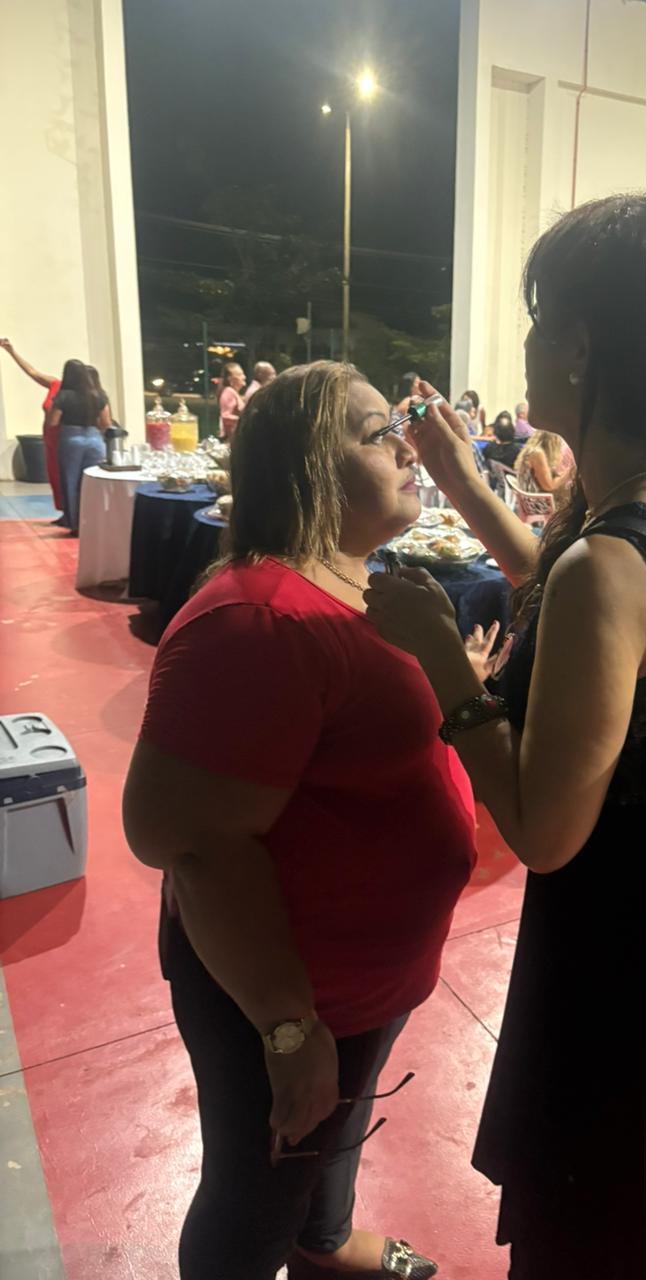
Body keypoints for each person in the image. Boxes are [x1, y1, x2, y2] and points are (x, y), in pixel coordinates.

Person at [364, 193, 646, 1280]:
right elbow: (606, 639)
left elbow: (545, 828)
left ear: (582, 344)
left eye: (537, 316)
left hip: (632, 993)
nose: (524, 341)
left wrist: (442, 661)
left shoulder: (608, 565)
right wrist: (469, 487)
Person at [122, 361, 481, 1280]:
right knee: (254, 1197)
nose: (407, 446)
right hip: (289, 999)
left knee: (328, 1142)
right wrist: (286, 1025)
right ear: (309, 468)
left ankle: (322, 1245)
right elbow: (186, 839)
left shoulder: (359, 584)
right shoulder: (258, 619)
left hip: (360, 985)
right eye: (377, 432)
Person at [0, 338, 65, 516]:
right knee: (54, 477)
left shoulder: (74, 394)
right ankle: (63, 513)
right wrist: (12, 352)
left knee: (65, 477)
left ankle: (72, 514)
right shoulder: (55, 384)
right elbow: (32, 372)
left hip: (64, 439)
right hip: (49, 437)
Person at [49, 359, 109, 534]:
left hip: (71, 439)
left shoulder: (64, 395)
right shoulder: (98, 395)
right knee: (92, 482)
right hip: (95, 440)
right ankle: (94, 522)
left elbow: (53, 422)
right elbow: (105, 423)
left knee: (70, 482)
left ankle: (75, 524)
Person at [515, 428, 573, 494]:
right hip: (536, 498)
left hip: (528, 495)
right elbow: (549, 486)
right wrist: (569, 473)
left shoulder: (531, 450)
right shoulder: (537, 454)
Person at [218, 361, 247, 438]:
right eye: (240, 375)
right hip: (231, 439)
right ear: (230, 379)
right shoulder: (229, 392)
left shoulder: (233, 393)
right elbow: (225, 416)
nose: (244, 377)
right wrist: (246, 419)